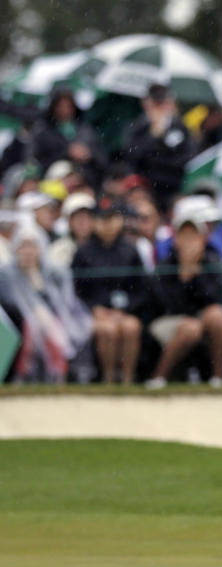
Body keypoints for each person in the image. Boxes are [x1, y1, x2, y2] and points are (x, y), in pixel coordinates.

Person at [145, 211, 222, 389]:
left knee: (218, 316)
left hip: (199, 317)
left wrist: (195, 274)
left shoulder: (211, 262)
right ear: (176, 240)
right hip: (168, 320)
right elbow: (167, 305)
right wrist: (184, 275)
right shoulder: (166, 265)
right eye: (184, 235)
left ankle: (218, 377)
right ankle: (158, 377)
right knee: (191, 328)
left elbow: (214, 297)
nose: (189, 241)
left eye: (194, 236)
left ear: (203, 239)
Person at [0, 227, 91, 383]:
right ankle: (25, 375)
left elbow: (64, 303)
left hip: (55, 322)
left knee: (54, 327)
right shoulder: (6, 273)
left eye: (32, 246)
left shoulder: (55, 272)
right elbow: (12, 303)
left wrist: (37, 282)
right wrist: (36, 311)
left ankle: (59, 373)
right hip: (18, 324)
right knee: (35, 326)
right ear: (16, 249)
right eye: (23, 246)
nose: (28, 251)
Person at [71, 203, 148, 384]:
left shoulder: (130, 249)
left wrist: (125, 308)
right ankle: (108, 378)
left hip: (124, 310)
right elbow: (76, 289)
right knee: (108, 331)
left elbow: (140, 288)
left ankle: (128, 379)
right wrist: (94, 308)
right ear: (95, 222)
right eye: (103, 219)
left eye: (112, 219)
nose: (108, 224)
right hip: (94, 312)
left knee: (131, 328)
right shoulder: (83, 252)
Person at [123, 84, 197, 212]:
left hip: (173, 187)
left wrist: (158, 158)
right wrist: (153, 136)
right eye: (155, 104)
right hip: (146, 188)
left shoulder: (180, 128)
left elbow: (188, 159)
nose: (159, 108)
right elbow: (132, 157)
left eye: (162, 103)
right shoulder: (138, 128)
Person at [31, 89, 105, 188]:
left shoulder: (85, 130)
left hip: (85, 182)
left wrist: (89, 154)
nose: (64, 110)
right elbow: (38, 159)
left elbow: (102, 159)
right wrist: (67, 153)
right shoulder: (44, 131)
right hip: (55, 183)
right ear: (53, 108)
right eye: (60, 106)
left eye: (68, 106)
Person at [47, 192, 96, 269]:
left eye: (87, 217)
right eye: (78, 218)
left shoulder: (105, 247)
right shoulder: (58, 250)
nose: (83, 223)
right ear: (69, 222)